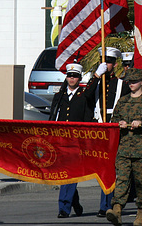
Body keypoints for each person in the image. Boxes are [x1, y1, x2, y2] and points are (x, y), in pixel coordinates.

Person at [106, 68, 142, 226]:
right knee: (122, 180)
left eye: (134, 81)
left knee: (141, 183)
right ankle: (117, 210)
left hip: (141, 151)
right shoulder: (122, 102)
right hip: (124, 149)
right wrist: (119, 124)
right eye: (129, 81)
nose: (131, 84)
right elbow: (113, 120)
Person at [90, 47, 130, 217]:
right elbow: (85, 97)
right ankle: (104, 204)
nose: (106, 65)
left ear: (114, 64)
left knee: (114, 169)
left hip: (115, 130)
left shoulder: (122, 84)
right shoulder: (96, 81)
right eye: (103, 61)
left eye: (109, 62)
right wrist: (96, 77)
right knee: (103, 168)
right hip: (99, 129)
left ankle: (110, 204)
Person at [49, 62, 90, 218]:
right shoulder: (59, 96)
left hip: (76, 141)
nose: (72, 79)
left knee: (70, 173)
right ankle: (75, 202)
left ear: (79, 78)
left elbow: (87, 120)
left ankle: (64, 208)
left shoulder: (84, 96)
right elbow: (53, 117)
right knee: (64, 175)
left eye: (75, 76)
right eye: (69, 76)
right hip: (60, 140)